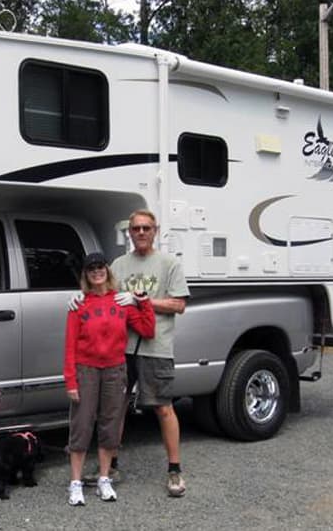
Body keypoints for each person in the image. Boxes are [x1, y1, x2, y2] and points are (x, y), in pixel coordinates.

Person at [70, 209, 190, 497]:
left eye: (146, 228)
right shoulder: (119, 265)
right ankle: (110, 467)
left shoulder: (169, 263)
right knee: (115, 409)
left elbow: (179, 305)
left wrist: (142, 301)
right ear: (130, 233)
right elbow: (102, 291)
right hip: (120, 348)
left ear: (155, 231)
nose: (140, 233)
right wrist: (79, 297)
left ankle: (174, 470)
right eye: (135, 229)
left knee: (162, 407)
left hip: (156, 346)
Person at [64, 252, 155, 506]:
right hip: (86, 370)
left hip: (115, 370)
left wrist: (141, 301)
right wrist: (70, 381)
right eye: (91, 269)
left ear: (107, 270)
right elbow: (69, 346)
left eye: (100, 267)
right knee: (81, 425)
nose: (96, 272)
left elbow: (147, 330)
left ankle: (104, 479)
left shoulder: (121, 301)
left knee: (110, 426)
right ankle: (76, 483)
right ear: (86, 274)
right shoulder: (79, 304)